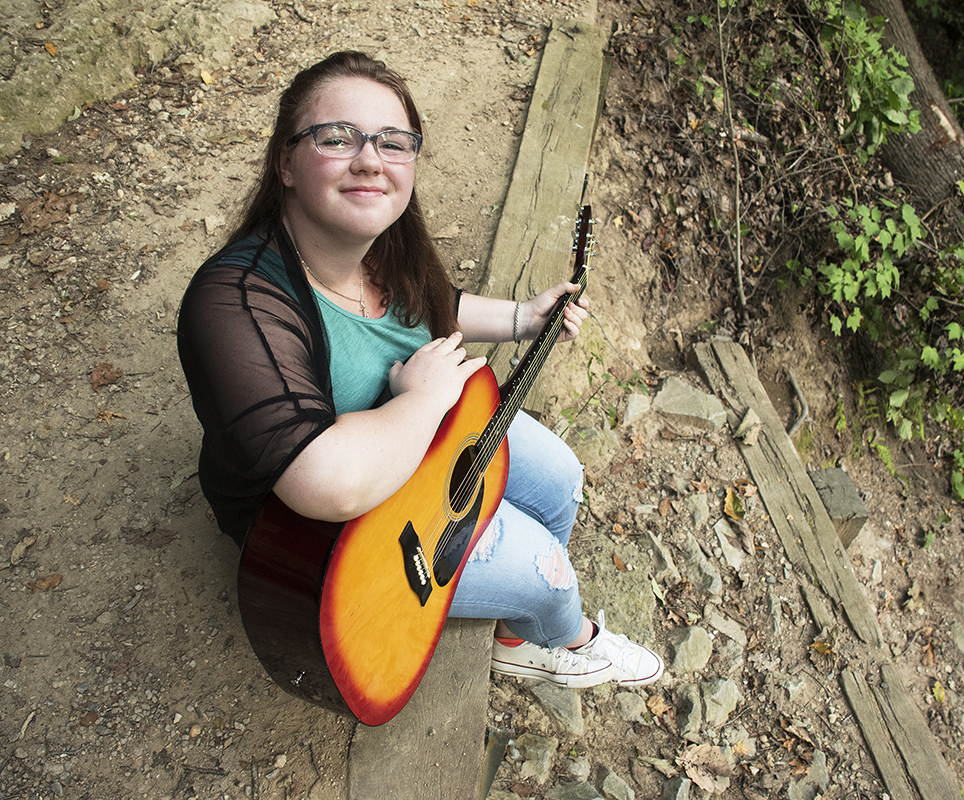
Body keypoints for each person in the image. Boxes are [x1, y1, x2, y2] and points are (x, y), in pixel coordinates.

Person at [176, 51, 663, 690]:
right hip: (342, 536)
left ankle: (513, 627)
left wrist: (523, 318)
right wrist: (424, 400)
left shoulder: (383, 246)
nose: (370, 159)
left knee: (563, 481)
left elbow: (433, 310)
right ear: (285, 162)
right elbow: (324, 484)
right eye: (336, 137)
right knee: (550, 568)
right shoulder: (235, 301)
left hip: (431, 437)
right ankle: (563, 639)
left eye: (393, 142)